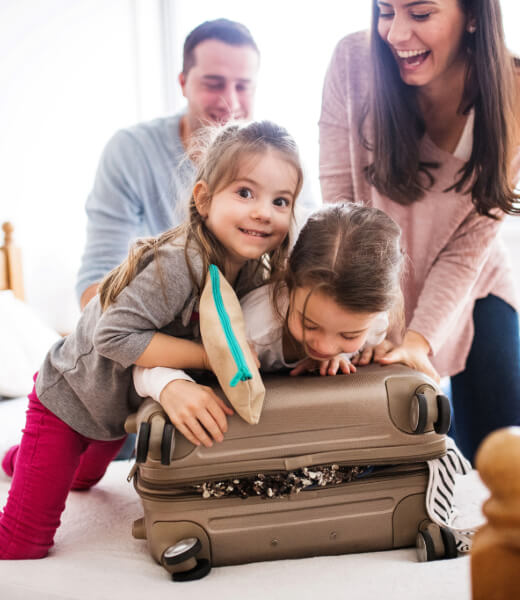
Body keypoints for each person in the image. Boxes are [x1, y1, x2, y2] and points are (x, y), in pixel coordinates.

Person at [0, 120, 303, 559]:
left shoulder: (254, 271)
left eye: (280, 201)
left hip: (115, 410)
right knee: (21, 544)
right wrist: (208, 355)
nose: (263, 212)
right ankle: (25, 454)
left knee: (83, 480)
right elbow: (113, 336)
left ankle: (18, 459)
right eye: (245, 193)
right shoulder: (180, 262)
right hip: (68, 399)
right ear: (203, 198)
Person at [318, 0, 520, 462]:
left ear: (475, 15)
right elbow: (341, 206)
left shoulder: (517, 87)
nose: (397, 34)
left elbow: (469, 247)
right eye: (385, 11)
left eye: (420, 14)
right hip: (377, 279)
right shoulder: (353, 62)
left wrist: (419, 341)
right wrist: (368, 318)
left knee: (501, 454)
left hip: (472, 285)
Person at [76, 18, 316, 310]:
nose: (229, 101)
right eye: (213, 84)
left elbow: (309, 257)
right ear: (183, 83)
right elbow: (97, 283)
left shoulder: (283, 161)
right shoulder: (131, 151)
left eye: (242, 86)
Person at [133, 203, 405, 447]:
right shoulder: (254, 328)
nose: (324, 346)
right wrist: (169, 385)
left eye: (349, 334)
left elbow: (372, 339)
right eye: (310, 325)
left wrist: (356, 352)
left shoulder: (375, 322)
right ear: (288, 282)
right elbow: (142, 361)